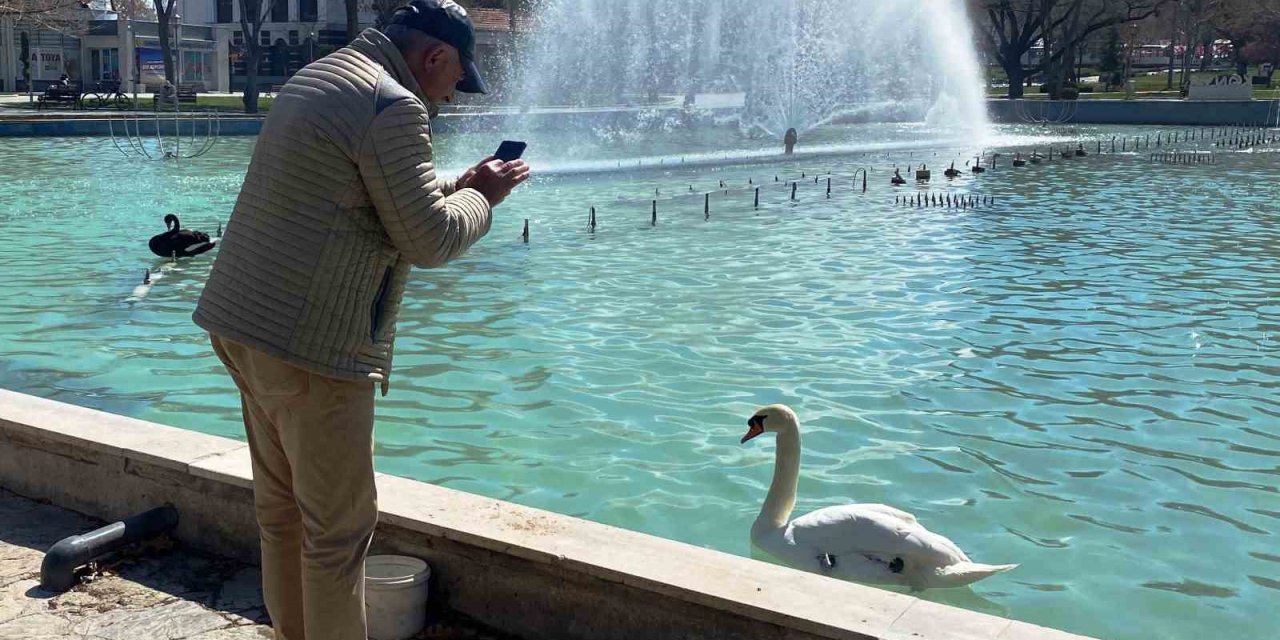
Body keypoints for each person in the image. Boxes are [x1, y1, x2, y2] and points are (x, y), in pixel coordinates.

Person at [191, 0, 529, 637]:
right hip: (313, 346)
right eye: (456, 78)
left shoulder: (321, 77)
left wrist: (462, 182)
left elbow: (381, 203)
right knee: (338, 536)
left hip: (242, 325)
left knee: (282, 515)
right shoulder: (393, 104)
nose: (453, 96)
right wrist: (486, 195)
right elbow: (427, 242)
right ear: (435, 56)